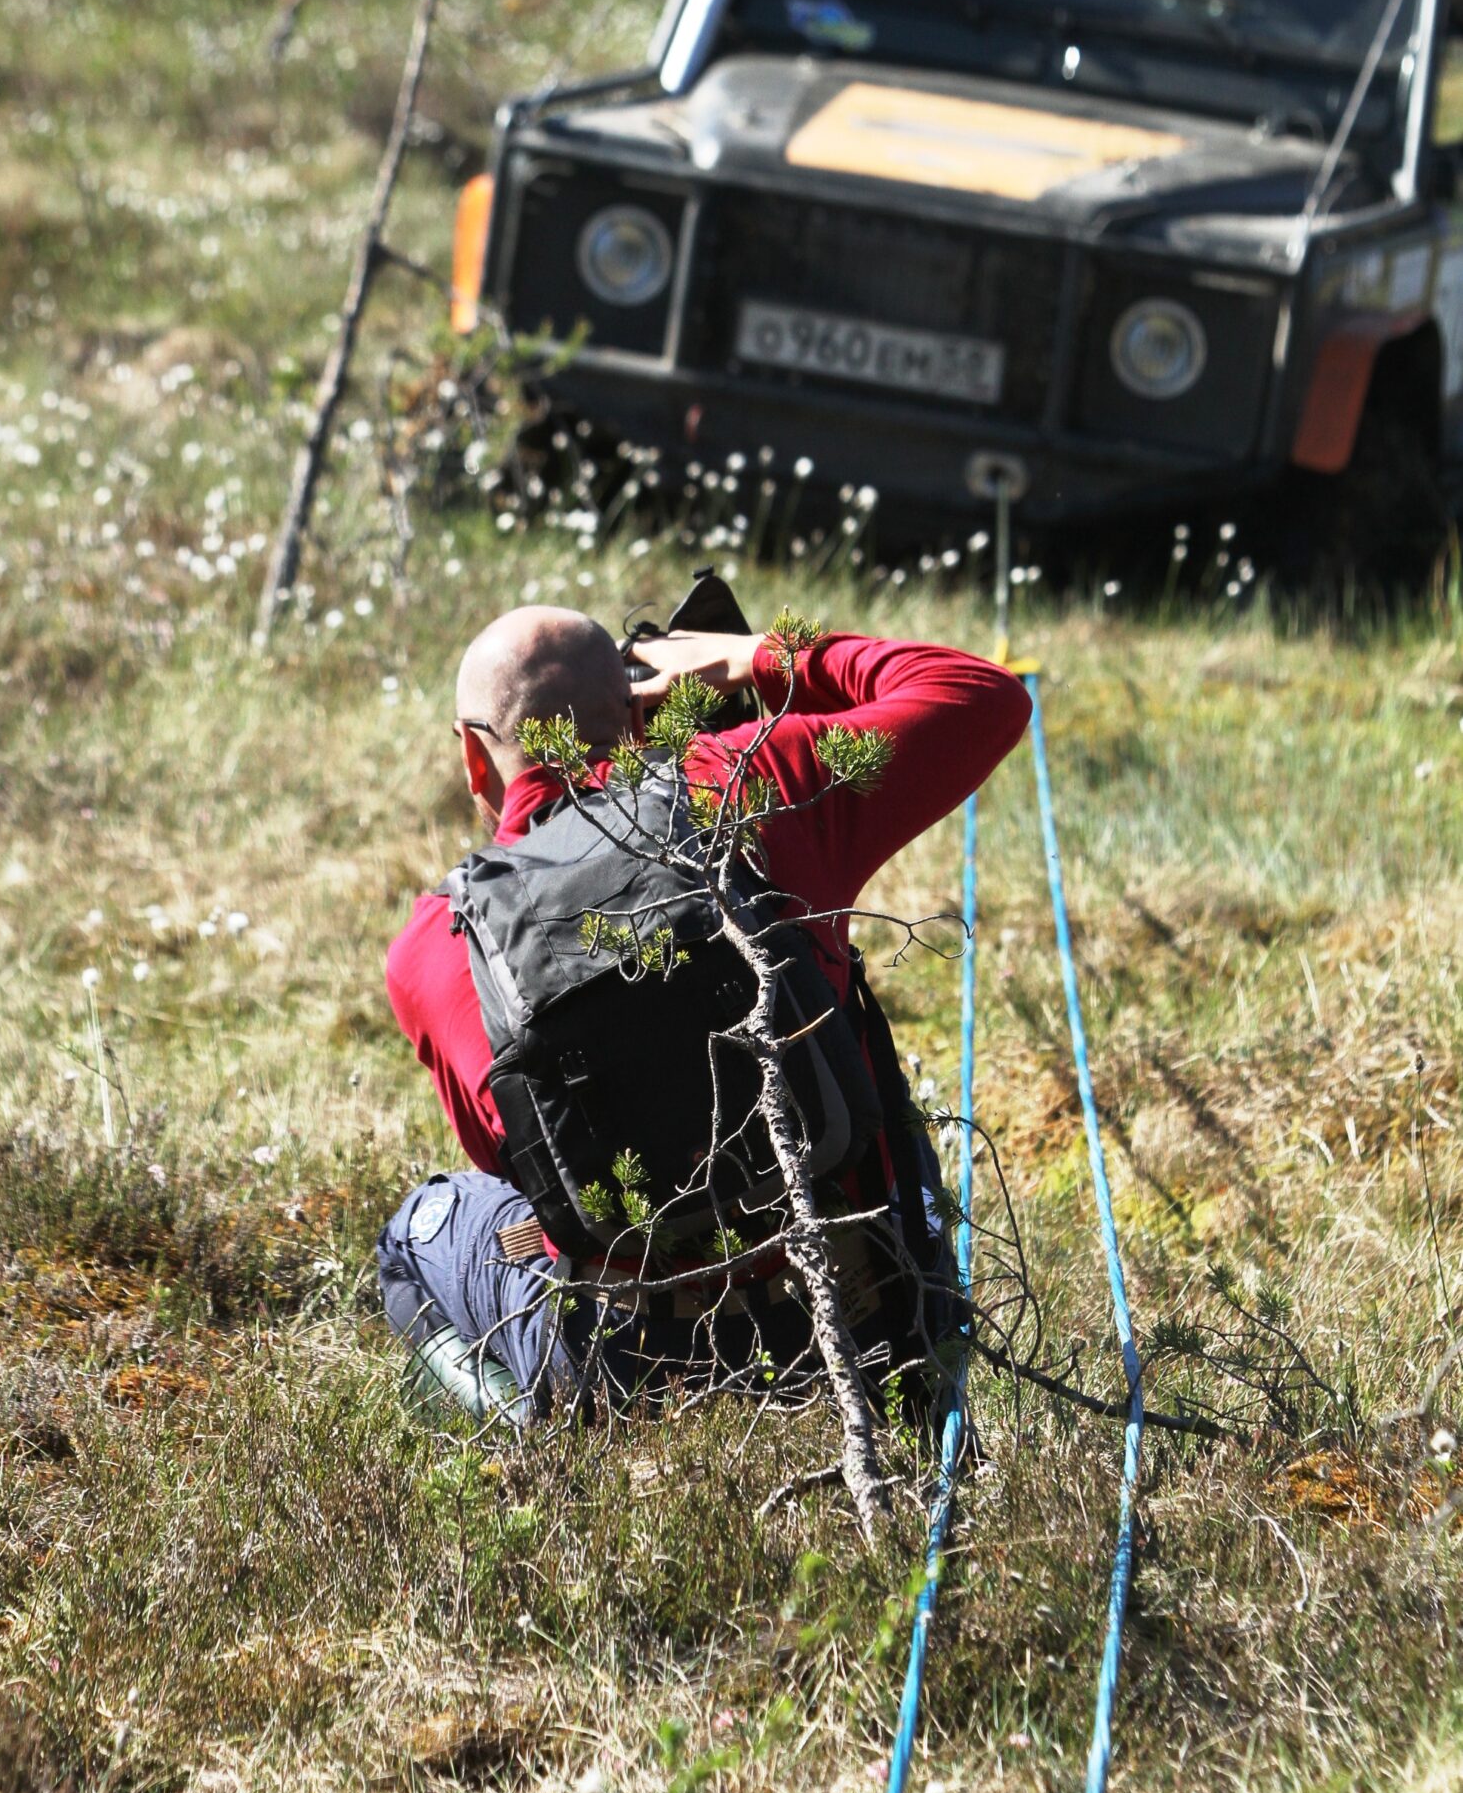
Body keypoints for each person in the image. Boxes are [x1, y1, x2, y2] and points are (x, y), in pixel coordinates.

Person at [378, 603, 1031, 1423]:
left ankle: (534, 1429)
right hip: (872, 1316)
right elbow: (979, 693)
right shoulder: (744, 785)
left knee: (417, 1232)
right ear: (640, 714)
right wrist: (756, 656)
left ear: (473, 755)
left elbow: (519, 1172)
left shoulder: (433, 945)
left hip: (633, 1363)